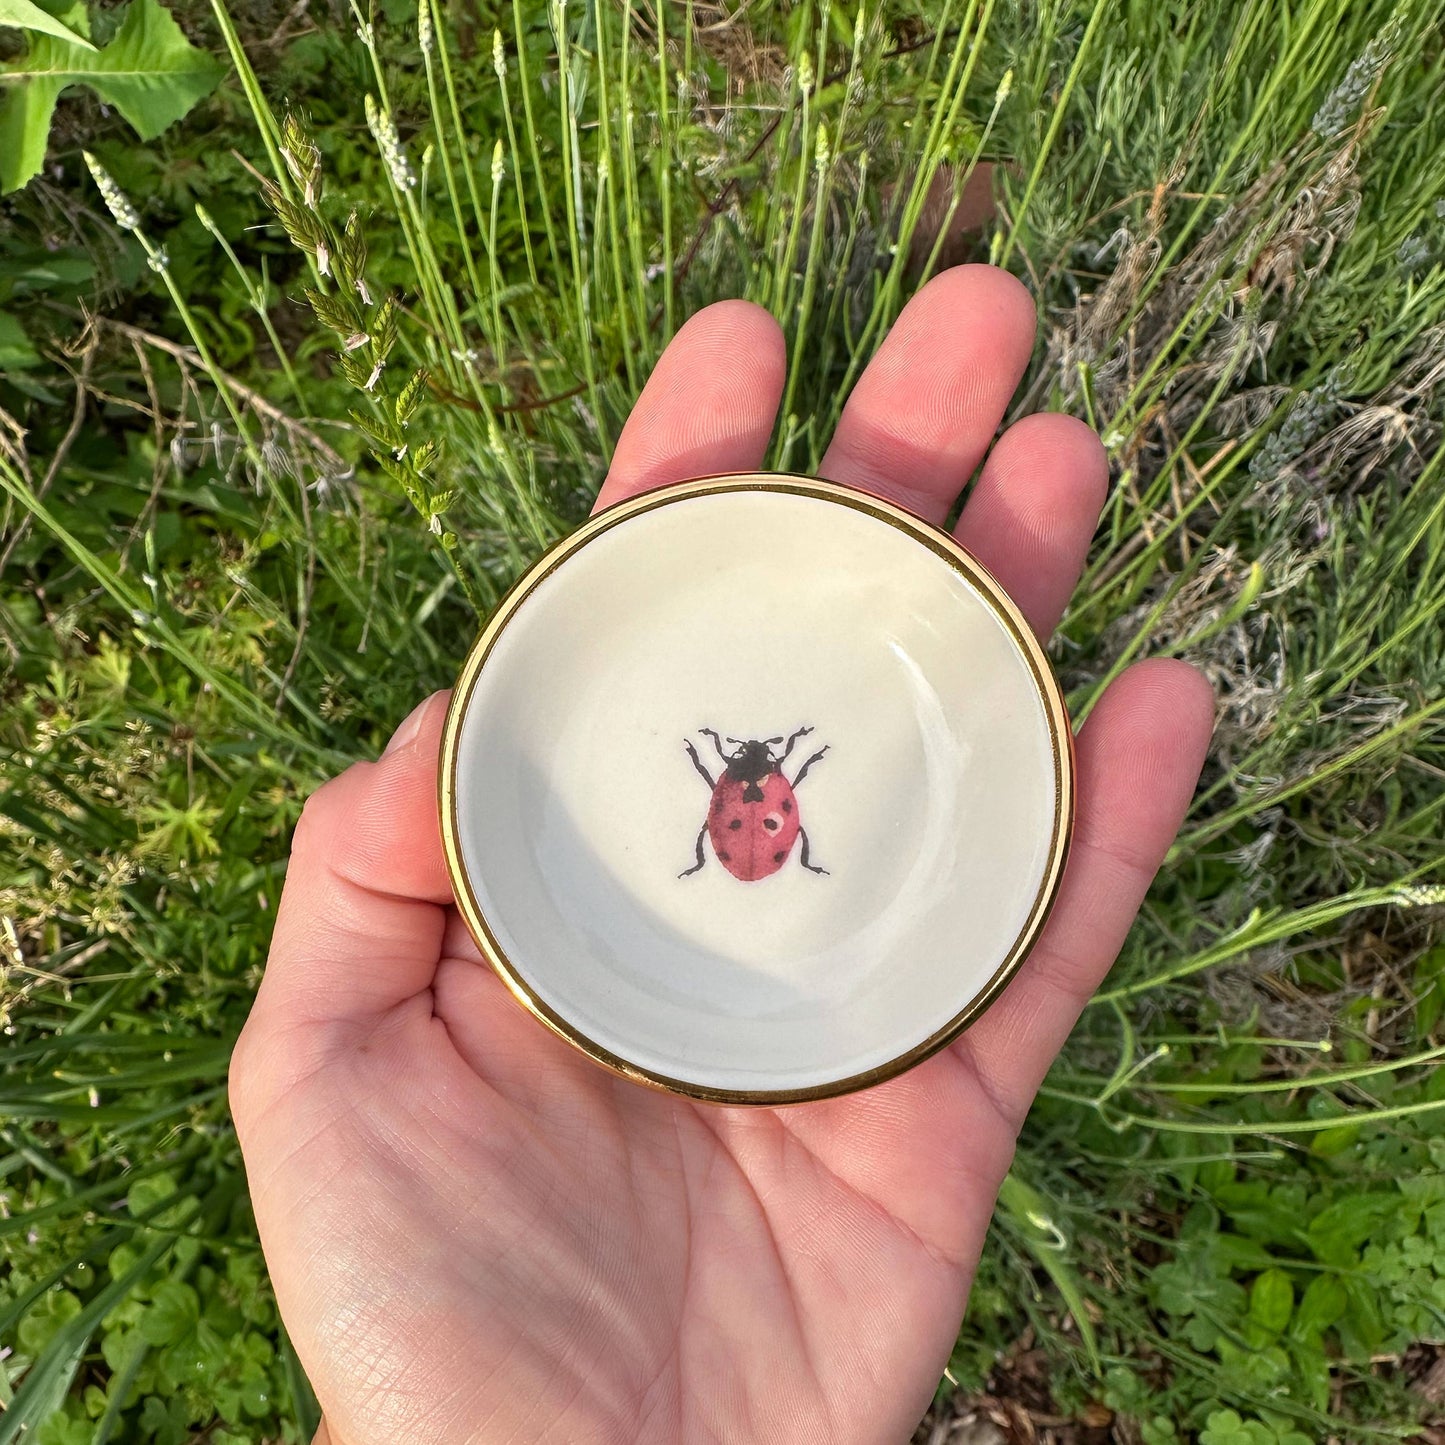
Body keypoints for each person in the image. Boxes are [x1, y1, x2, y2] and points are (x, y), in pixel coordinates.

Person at [228, 265, 1214, 1445]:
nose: (754, 790)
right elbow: (741, 802)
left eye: (759, 785)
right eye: (756, 783)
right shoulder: (759, 792)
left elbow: (733, 805)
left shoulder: (750, 793)